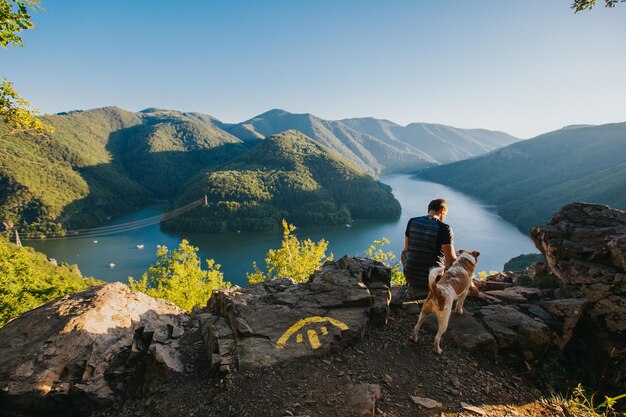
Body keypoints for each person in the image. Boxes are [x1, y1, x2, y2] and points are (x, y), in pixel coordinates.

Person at [403, 198, 460, 300]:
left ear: (429, 209)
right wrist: (471, 284)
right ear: (442, 210)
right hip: (432, 280)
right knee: (454, 259)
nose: (445, 217)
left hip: (410, 277)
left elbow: (407, 250)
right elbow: (451, 261)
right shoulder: (444, 228)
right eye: (446, 214)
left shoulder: (412, 221)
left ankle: (410, 284)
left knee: (405, 252)